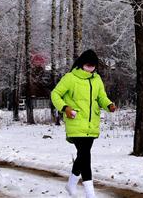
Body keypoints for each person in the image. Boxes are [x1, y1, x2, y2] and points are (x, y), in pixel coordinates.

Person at [50, 49, 117, 197]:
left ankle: (71, 185)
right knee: (85, 156)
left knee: (82, 156)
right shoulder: (70, 78)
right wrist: (64, 108)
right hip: (75, 121)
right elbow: (55, 94)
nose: (90, 68)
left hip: (91, 124)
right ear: (81, 63)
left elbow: (101, 98)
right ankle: (90, 194)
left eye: (93, 66)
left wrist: (109, 105)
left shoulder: (97, 79)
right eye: (88, 65)